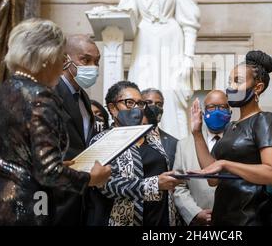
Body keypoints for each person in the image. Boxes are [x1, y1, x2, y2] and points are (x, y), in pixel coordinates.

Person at [0, 18, 111, 225]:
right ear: (47, 58)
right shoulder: (40, 96)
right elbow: (49, 173)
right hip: (25, 207)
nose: (61, 64)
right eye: (59, 57)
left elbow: (6, 157)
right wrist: (91, 178)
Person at [118, 0, 200, 141]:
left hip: (171, 42)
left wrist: (188, 58)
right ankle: (137, 141)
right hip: (144, 41)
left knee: (171, 93)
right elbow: (123, 16)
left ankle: (174, 144)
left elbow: (189, 23)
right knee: (139, 87)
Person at [191, 50, 272, 226]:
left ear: (258, 88)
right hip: (222, 216)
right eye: (229, 81)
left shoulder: (265, 120)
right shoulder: (231, 126)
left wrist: (226, 164)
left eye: (237, 81)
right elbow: (213, 179)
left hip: (249, 217)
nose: (230, 87)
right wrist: (197, 133)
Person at [88, 81, 183, 226]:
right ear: (113, 108)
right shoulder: (102, 141)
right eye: (129, 103)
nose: (136, 109)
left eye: (139, 103)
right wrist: (154, 184)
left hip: (162, 219)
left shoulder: (152, 138)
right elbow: (106, 185)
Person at [53, 34, 100, 226]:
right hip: (57, 192)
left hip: (82, 193)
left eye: (97, 62)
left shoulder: (84, 99)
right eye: (85, 60)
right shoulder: (51, 92)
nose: (93, 67)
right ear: (65, 59)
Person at [173, 90, 230, 226]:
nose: (217, 112)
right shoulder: (184, 145)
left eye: (222, 107)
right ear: (203, 112)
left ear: (230, 111)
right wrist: (195, 213)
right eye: (211, 107)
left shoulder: (241, 143)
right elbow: (179, 185)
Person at [142, 88, 178, 169]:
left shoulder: (174, 143)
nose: (154, 106)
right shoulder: (131, 137)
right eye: (149, 103)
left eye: (159, 104)